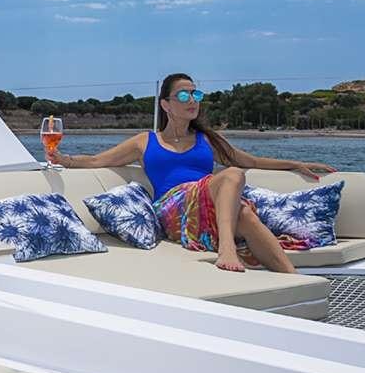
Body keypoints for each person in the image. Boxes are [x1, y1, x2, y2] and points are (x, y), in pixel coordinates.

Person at [48, 73, 336, 273]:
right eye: (184, 94)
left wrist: (295, 164)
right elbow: (98, 160)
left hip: (209, 210)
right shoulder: (146, 141)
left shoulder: (206, 140)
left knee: (245, 213)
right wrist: (64, 159)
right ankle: (227, 248)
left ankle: (294, 281)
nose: (192, 100)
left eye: (196, 93)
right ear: (165, 104)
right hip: (172, 211)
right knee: (233, 175)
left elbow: (250, 160)